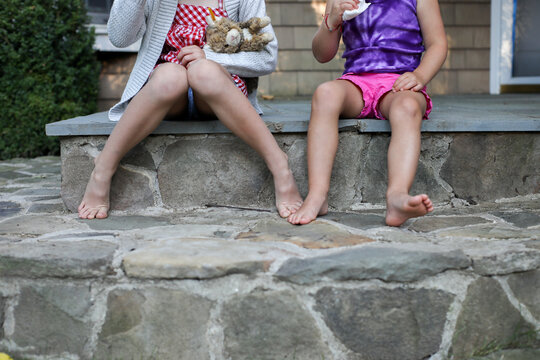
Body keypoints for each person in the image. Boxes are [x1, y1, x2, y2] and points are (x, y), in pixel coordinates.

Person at [78, 0, 303, 220]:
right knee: (171, 76)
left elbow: (267, 57)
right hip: (167, 91)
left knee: (203, 71)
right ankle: (103, 168)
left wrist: (210, 57)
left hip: (217, 89)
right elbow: (119, 38)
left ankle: (280, 166)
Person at [288, 0, 447, 226]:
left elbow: (438, 44)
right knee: (325, 93)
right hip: (357, 83)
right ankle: (317, 195)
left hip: (400, 84)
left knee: (407, 107)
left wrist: (420, 76)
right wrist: (330, 23)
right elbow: (322, 54)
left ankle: (397, 197)